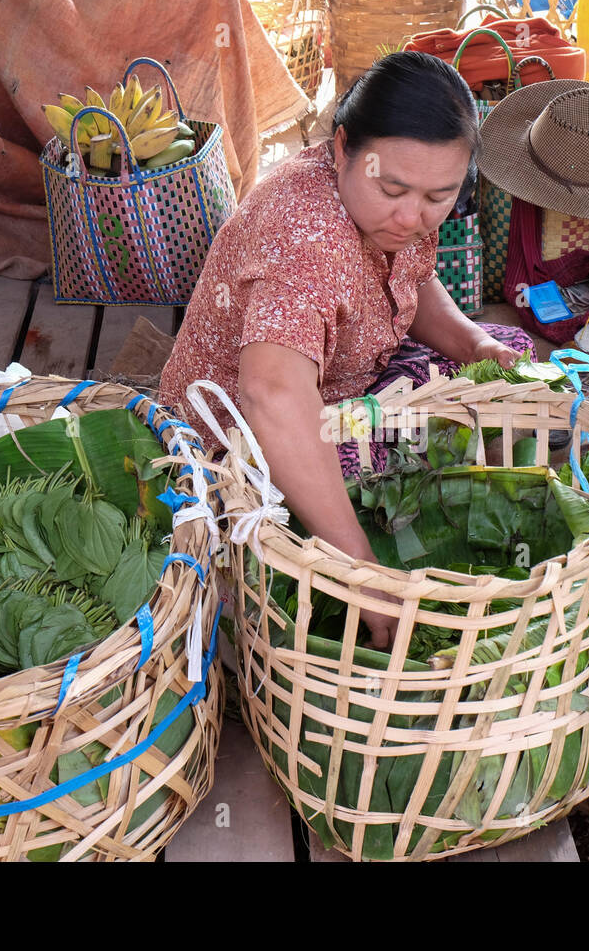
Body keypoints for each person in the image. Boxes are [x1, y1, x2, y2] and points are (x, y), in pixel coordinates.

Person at [158, 51, 533, 648]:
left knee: (502, 358)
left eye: (439, 196)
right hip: (243, 441)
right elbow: (272, 395)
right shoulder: (302, 232)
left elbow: (410, 274)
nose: (413, 217)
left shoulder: (394, 212)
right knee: (411, 458)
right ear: (339, 150)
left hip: (345, 381)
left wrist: (474, 341)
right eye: (391, 188)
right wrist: (361, 570)